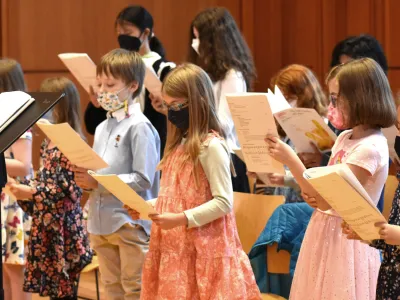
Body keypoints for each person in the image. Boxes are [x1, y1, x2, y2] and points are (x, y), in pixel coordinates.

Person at [126, 63, 261, 299]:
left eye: (177, 106)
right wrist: (148, 207)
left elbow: (223, 202)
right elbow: (177, 196)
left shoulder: (212, 147)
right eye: (167, 106)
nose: (171, 113)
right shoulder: (179, 145)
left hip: (205, 249)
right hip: (175, 248)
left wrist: (181, 218)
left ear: (197, 102)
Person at [265, 58, 396, 299]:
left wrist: (292, 160)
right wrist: (312, 191)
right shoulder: (345, 137)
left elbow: (329, 201)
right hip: (323, 232)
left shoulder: (371, 147)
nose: (331, 105)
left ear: (359, 98)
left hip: (347, 242)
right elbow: (317, 195)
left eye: (336, 98)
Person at [74, 49, 160, 300]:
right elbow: (99, 170)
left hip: (128, 222)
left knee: (135, 290)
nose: (102, 90)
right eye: (100, 84)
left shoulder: (140, 126)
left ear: (133, 86)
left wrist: (97, 181)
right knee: (112, 289)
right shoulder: (102, 126)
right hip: (100, 221)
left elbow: (144, 178)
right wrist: (85, 177)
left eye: (110, 84)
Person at [10, 77, 92, 300]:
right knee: (54, 292)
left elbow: (70, 193)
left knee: (65, 292)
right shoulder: (49, 141)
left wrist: (32, 192)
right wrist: (22, 188)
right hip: (48, 227)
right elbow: (44, 181)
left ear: (61, 106)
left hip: (64, 230)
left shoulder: (72, 141)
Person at [84, 5, 174, 159]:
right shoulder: (116, 69)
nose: (122, 37)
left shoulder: (165, 70)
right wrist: (97, 105)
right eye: (119, 33)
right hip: (119, 151)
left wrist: (166, 108)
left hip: (154, 152)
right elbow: (92, 126)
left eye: (128, 33)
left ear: (145, 33)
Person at [187, 7, 256, 193]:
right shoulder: (205, 73)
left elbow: (224, 125)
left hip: (227, 159)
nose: (195, 43)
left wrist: (191, 113)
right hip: (203, 154)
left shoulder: (232, 75)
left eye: (198, 37)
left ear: (213, 42)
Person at [254, 64, 328, 203]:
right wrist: (263, 174)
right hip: (283, 204)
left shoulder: (318, 129)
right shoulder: (286, 131)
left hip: (306, 206)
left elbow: (319, 178)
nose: (284, 105)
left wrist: (284, 178)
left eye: (288, 99)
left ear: (305, 96)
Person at [0, 58, 32, 300]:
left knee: (15, 272)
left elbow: (24, 166)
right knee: (5, 271)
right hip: (4, 200)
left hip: (16, 202)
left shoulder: (20, 121)